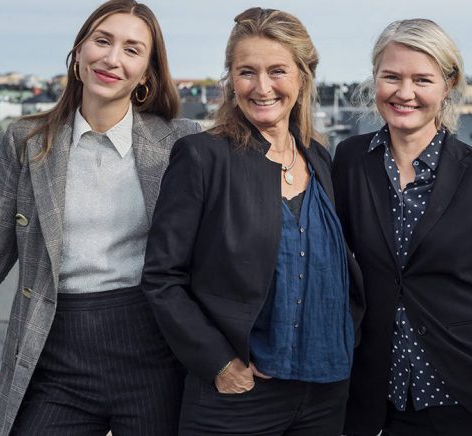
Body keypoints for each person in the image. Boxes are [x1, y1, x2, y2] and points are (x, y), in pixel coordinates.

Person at [0, 1, 199, 434]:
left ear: (147, 74)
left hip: (153, 356)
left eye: (132, 50)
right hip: (54, 355)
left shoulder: (180, 142)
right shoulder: (27, 141)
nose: (112, 58)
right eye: (102, 41)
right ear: (78, 53)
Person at [141, 7, 363, 436]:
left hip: (325, 390)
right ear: (230, 79)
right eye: (246, 72)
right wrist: (218, 363)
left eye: (277, 71)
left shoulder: (318, 157)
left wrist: (349, 335)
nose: (262, 87)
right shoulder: (203, 157)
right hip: (236, 395)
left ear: (303, 76)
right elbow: (162, 277)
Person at [332, 18, 472, 436]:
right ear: (375, 79)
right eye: (391, 77)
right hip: (385, 408)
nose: (404, 93)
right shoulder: (349, 162)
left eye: (422, 79)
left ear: (447, 85)